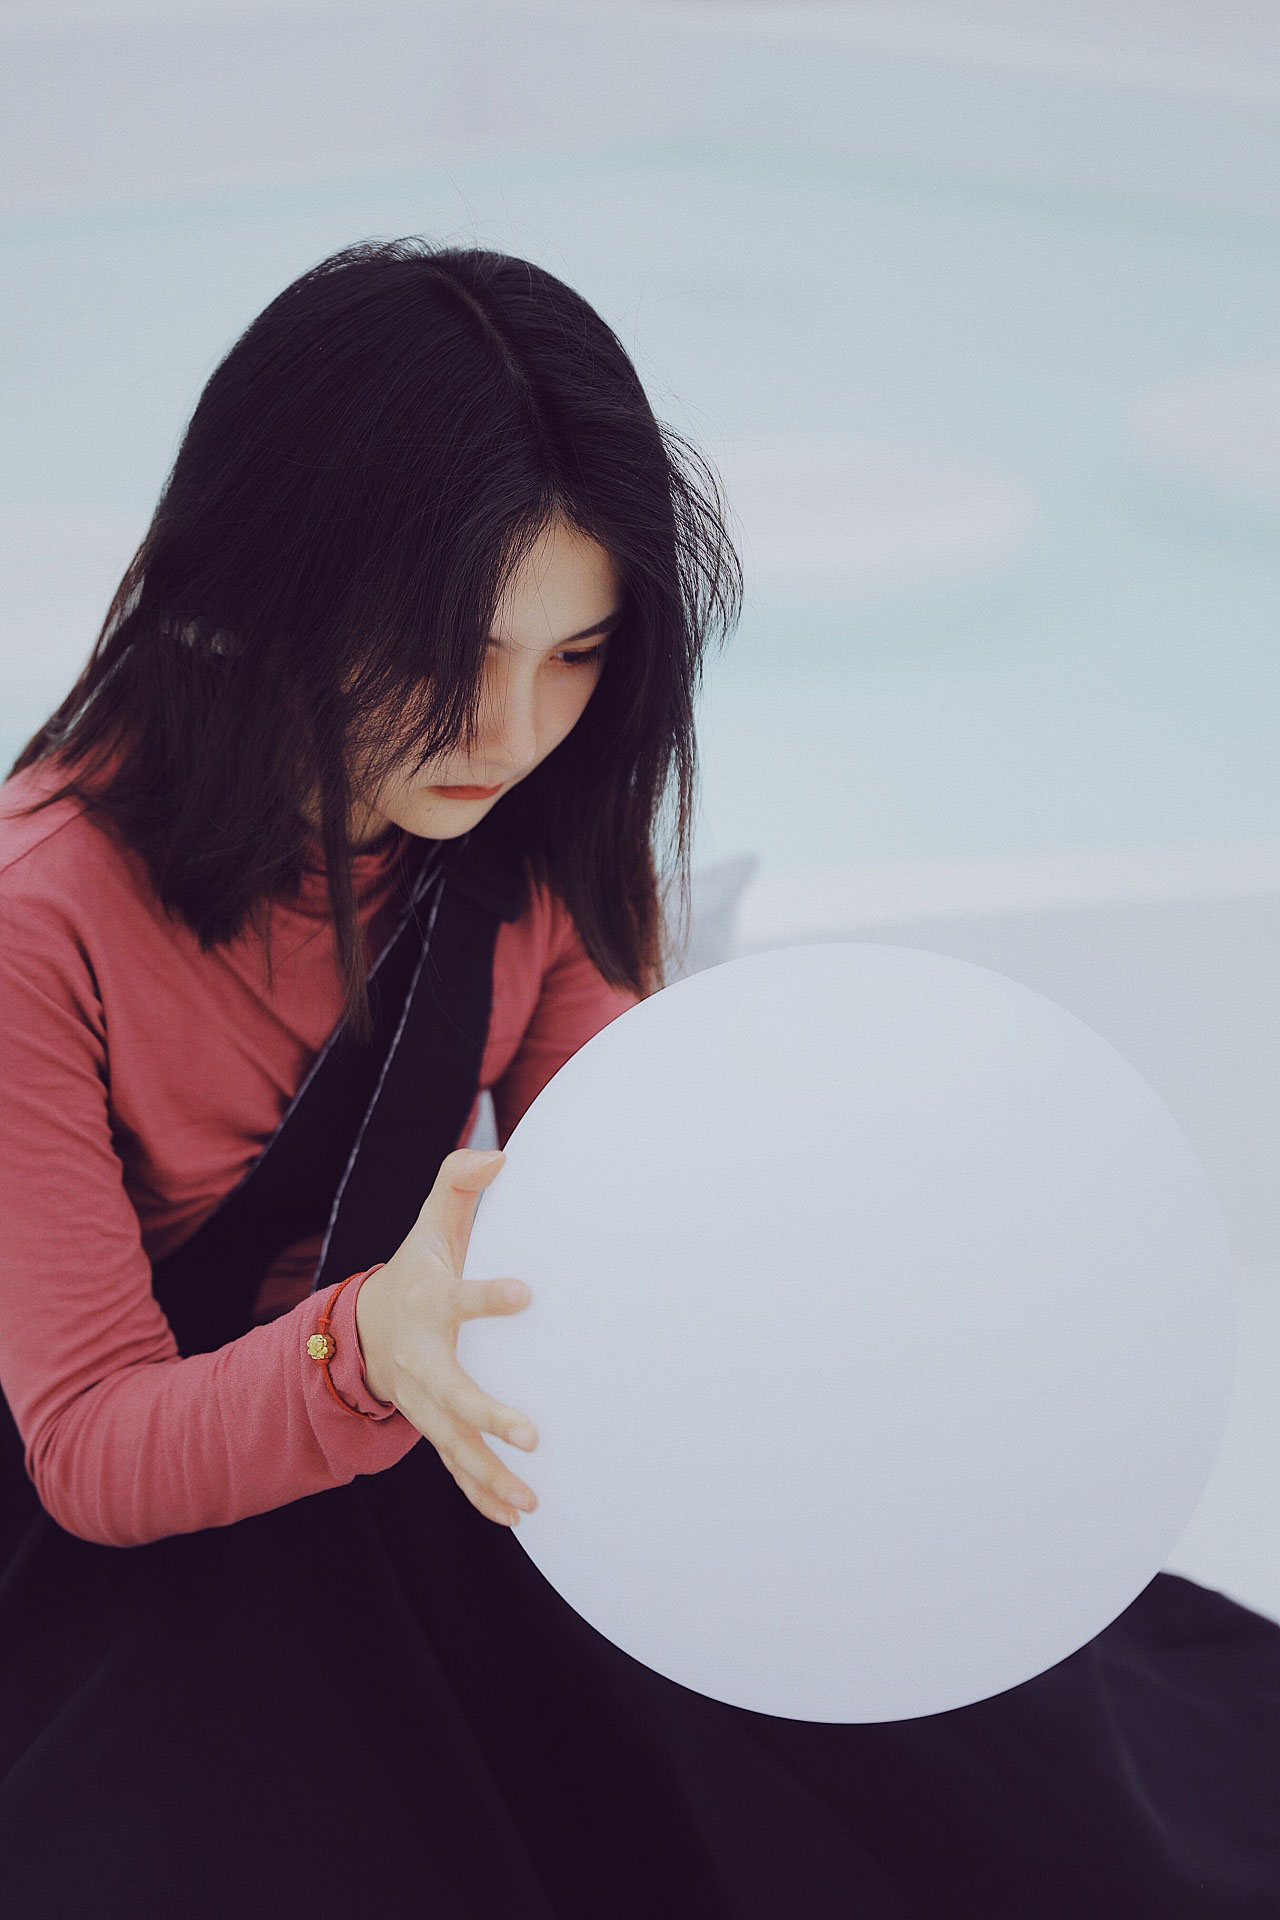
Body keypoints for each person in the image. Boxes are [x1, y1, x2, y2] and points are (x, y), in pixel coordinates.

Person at [0, 239, 1276, 1920]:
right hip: (157, 1527)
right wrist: (367, 1348)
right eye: (452, 649)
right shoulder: (42, 915)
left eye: (576, 651)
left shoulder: (532, 832)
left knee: (953, 1751)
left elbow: (627, 1182)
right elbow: (91, 1446)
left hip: (433, 1419)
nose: (513, 726)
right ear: (268, 584)